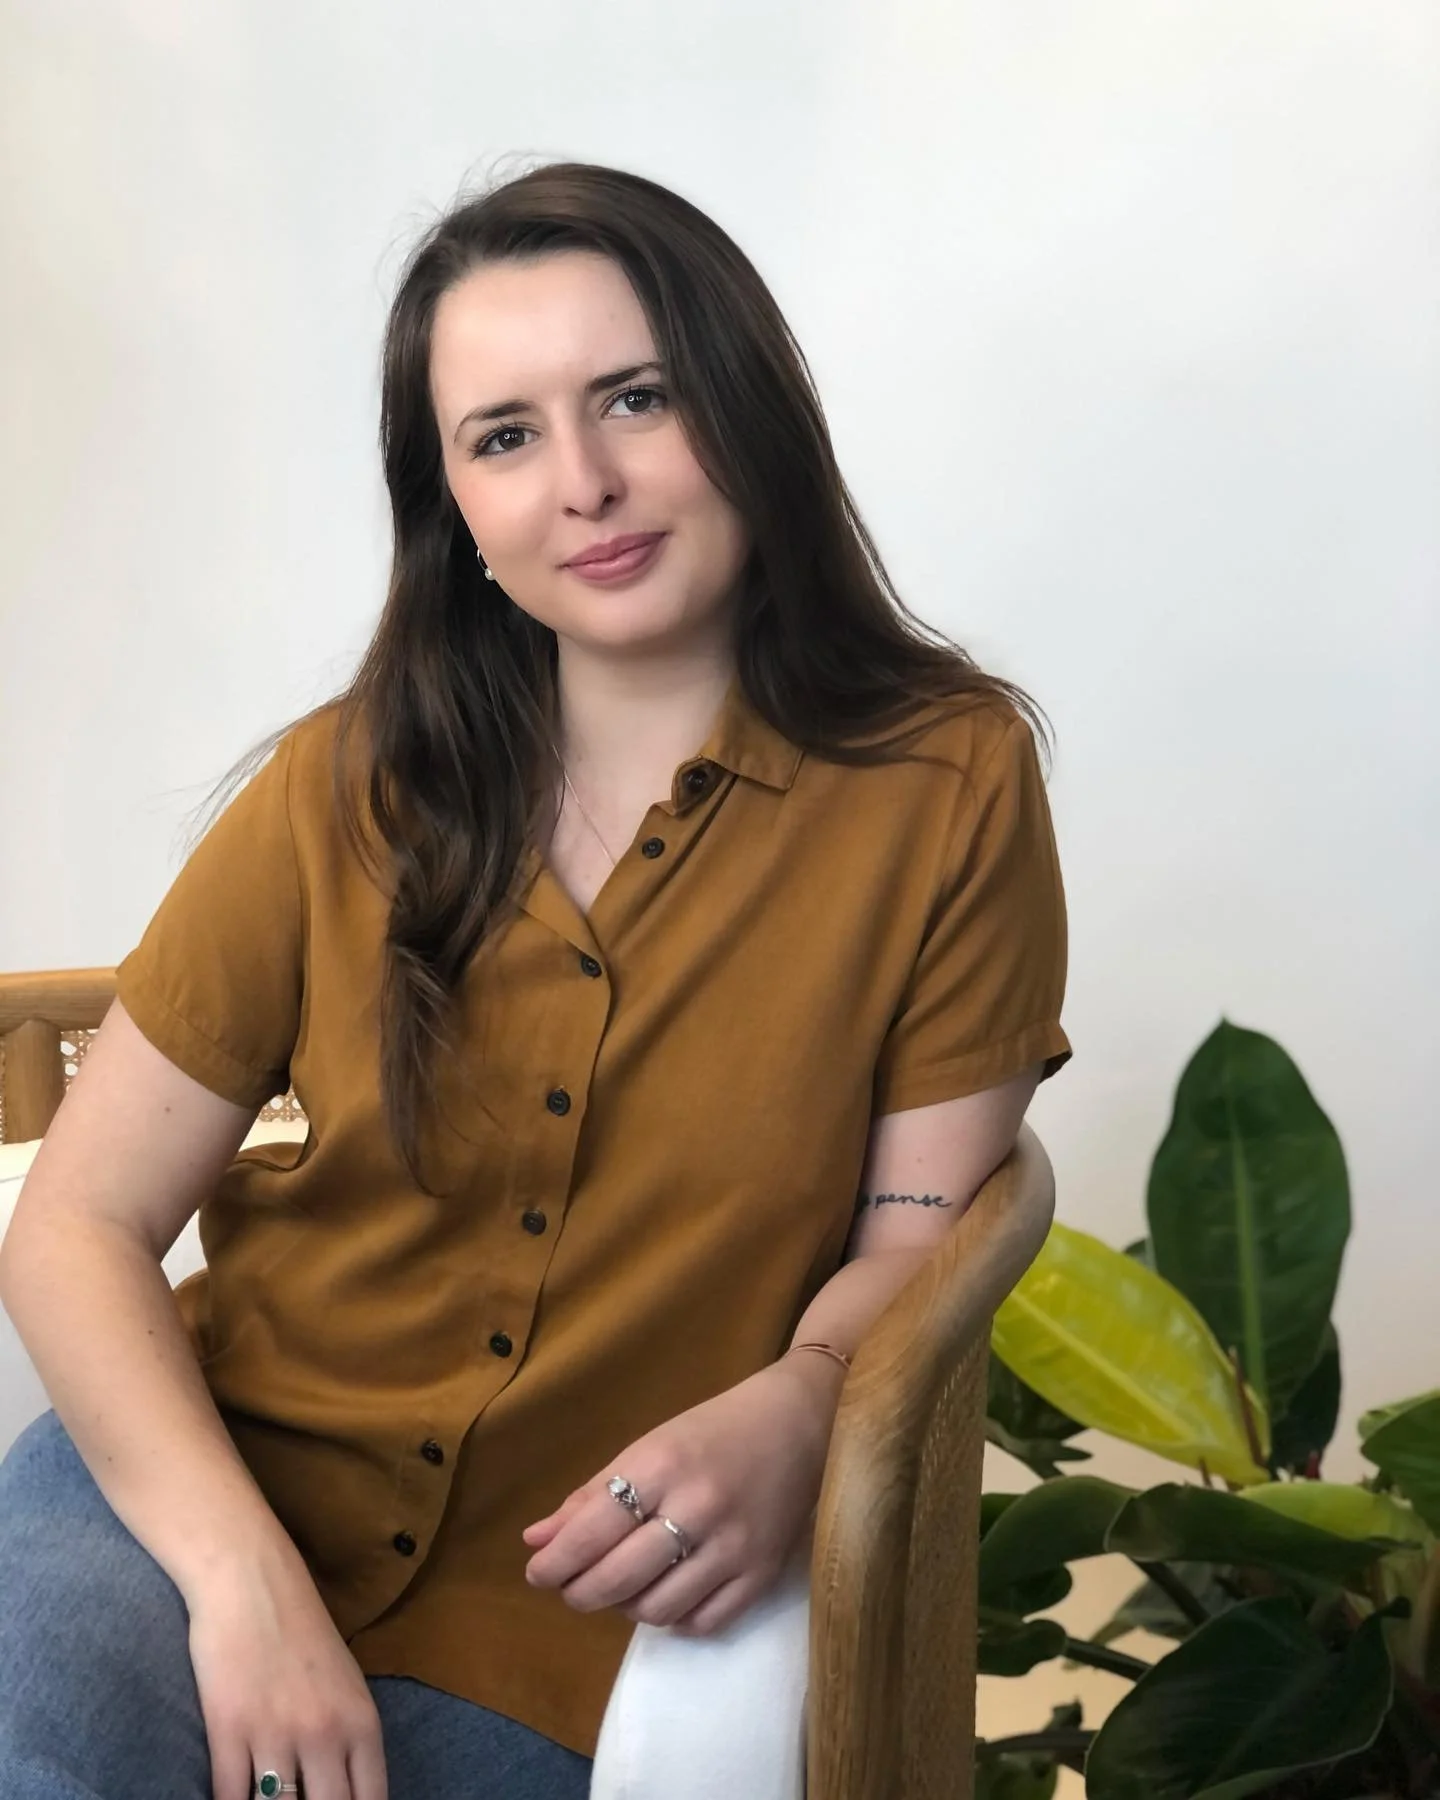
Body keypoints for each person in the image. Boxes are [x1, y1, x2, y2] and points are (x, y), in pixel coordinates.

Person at [0, 160, 1071, 1800]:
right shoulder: (343, 783)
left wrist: (805, 1400)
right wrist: (243, 1588)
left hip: (583, 1616)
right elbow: (78, 1220)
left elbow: (912, 1249)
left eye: (636, 397)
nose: (585, 483)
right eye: (503, 436)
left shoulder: (949, 782)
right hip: (193, 1518)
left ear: (747, 405)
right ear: (453, 503)